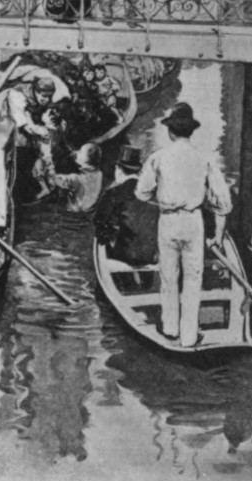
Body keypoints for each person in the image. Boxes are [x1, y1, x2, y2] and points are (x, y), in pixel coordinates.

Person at [134, 103, 232, 347]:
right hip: (193, 221)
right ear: (191, 131)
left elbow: (141, 193)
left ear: (170, 131)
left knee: (168, 275)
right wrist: (218, 236)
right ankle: (189, 336)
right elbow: (222, 203)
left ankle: (170, 328)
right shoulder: (204, 159)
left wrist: (163, 200)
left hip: (168, 221)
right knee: (193, 278)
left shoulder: (158, 158)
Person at [94, 146, 159, 266]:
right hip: (151, 255)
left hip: (122, 256)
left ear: (118, 169)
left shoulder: (113, 193)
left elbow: (99, 224)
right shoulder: (152, 193)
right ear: (139, 171)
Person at [2, 76, 60, 198]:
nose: (46, 100)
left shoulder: (40, 101)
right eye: (43, 96)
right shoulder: (18, 95)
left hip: (33, 137)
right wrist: (38, 130)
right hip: (14, 129)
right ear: (36, 91)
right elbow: (24, 124)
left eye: (49, 97)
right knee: (19, 161)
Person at [47, 142, 103, 213]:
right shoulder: (99, 173)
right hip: (90, 207)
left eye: (80, 152)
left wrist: (50, 171)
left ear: (86, 162)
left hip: (75, 209)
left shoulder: (76, 179)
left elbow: (58, 181)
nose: (76, 152)